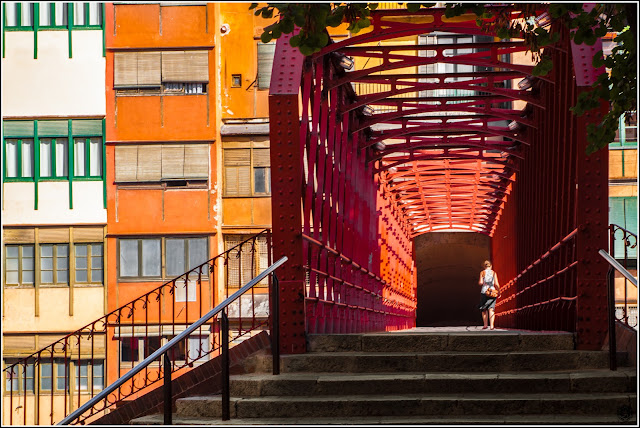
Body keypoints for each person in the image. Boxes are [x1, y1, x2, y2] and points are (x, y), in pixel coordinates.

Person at [478, 260, 501, 330]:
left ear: (484, 266)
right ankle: (491, 326)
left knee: (484, 309)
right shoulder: (494, 273)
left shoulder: (482, 272)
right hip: (492, 292)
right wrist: (499, 292)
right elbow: (496, 284)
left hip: (484, 292)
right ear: (491, 266)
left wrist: (483, 282)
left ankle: (485, 325)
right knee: (491, 309)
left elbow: (480, 283)